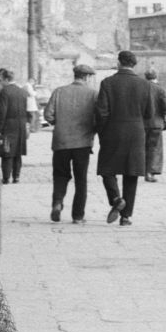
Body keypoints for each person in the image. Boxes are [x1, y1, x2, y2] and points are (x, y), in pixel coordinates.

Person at [94, 50, 154, 226]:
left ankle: (115, 198)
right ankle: (126, 216)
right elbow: (149, 113)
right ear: (133, 64)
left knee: (107, 169)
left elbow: (101, 112)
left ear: (119, 62)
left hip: (113, 131)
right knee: (131, 173)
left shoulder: (108, 83)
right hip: (136, 132)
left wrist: (101, 132)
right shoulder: (145, 85)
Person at [45, 64, 97, 222]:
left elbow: (48, 115)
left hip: (61, 141)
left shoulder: (59, 91)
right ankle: (78, 215)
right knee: (81, 180)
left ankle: (57, 203)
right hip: (82, 142)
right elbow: (98, 117)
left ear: (75, 75)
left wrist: (59, 123)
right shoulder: (93, 94)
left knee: (60, 175)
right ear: (87, 77)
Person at [0, 68, 30, 184]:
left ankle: (6, 178)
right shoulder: (22, 92)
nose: (1, 81)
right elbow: (28, 111)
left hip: (8, 125)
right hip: (21, 125)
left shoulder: (5, 92)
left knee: (7, 152)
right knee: (18, 153)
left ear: (5, 79)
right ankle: (16, 177)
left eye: (1, 79)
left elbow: (2, 112)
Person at [143, 69, 166, 182]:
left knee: (143, 147)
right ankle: (150, 172)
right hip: (156, 123)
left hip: (143, 124)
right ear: (156, 76)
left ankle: (143, 171)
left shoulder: (141, 89)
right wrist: (164, 116)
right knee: (154, 148)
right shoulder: (160, 89)